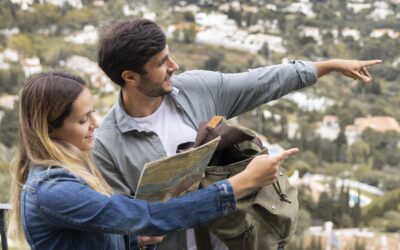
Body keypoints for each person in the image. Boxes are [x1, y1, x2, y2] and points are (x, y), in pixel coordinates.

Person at [94, 18, 381, 250]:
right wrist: (141, 236)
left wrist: (327, 66)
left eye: (169, 57)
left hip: (227, 237)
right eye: (161, 63)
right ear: (129, 76)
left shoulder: (197, 90)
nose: (174, 67)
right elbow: (115, 223)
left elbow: (261, 82)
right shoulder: (106, 144)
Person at [8, 72, 299, 250]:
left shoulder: (59, 177)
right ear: (49, 129)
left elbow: (96, 237)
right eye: (83, 119)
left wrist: (137, 240)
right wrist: (241, 183)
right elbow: (145, 216)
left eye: (93, 113)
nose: (96, 124)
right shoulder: (53, 190)